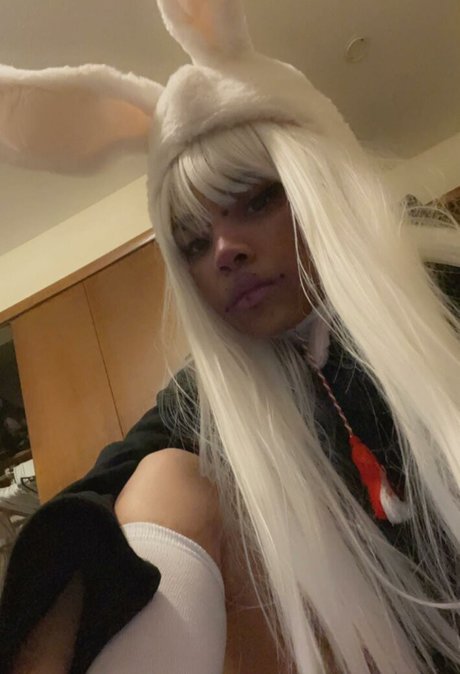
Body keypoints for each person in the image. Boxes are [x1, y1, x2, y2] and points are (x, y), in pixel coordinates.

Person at [0, 0, 460, 672]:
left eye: (256, 199)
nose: (224, 251)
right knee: (163, 478)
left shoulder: (439, 281)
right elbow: (97, 498)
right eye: (192, 242)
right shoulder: (208, 398)